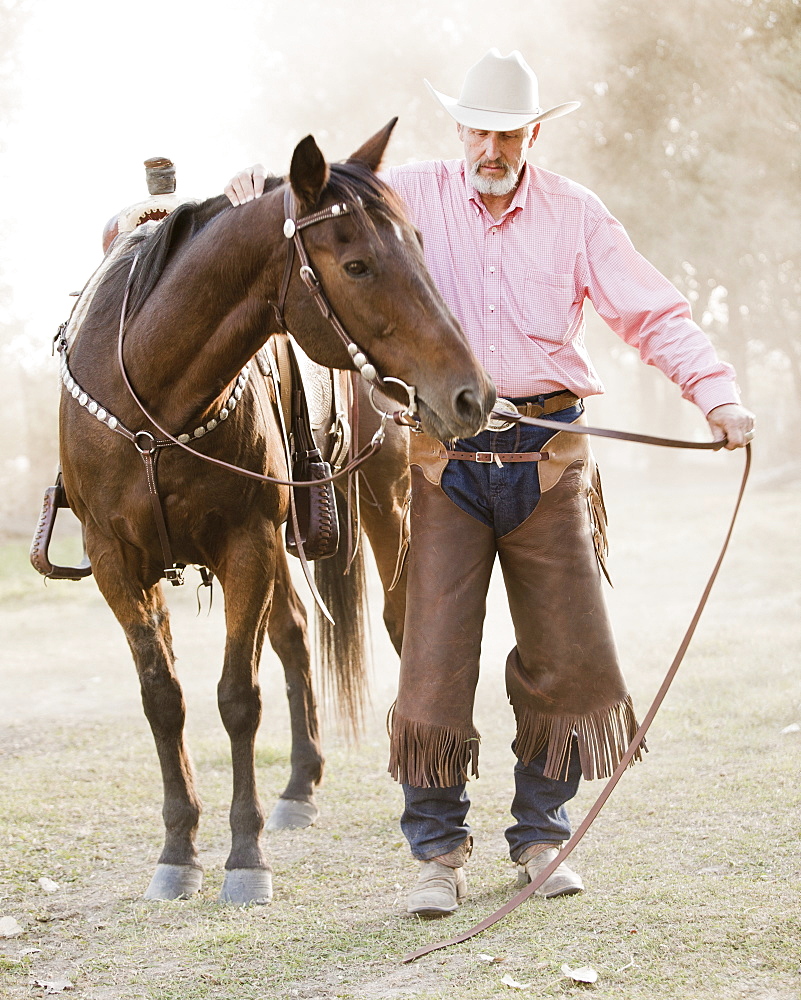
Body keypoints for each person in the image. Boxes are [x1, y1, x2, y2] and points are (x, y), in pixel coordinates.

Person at [225, 49, 755, 917]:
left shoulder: (577, 214)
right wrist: (257, 179)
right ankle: (436, 853)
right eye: (479, 129)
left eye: (509, 132)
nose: (492, 146)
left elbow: (650, 311)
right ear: (459, 128)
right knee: (433, 659)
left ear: (532, 134)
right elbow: (322, 207)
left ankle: (541, 837)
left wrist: (717, 393)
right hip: (446, 458)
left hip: (548, 454)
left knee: (563, 656)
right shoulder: (414, 195)